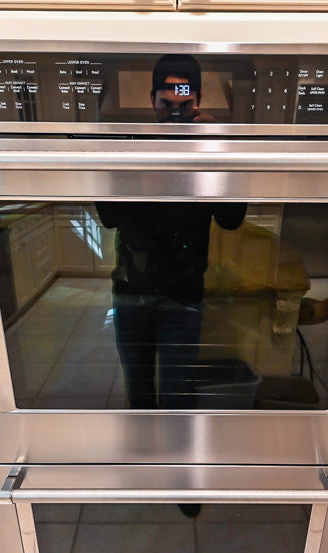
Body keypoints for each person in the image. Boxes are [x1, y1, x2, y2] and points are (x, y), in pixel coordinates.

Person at [95, 55, 246, 409]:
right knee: (139, 392)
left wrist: (215, 152)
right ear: (152, 101)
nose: (175, 115)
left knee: (178, 394)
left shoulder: (208, 151)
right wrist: (142, 161)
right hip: (132, 292)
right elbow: (108, 216)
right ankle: (145, 461)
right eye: (166, 105)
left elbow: (231, 218)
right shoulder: (134, 147)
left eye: (184, 105)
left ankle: (175, 462)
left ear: (199, 101)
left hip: (185, 295)